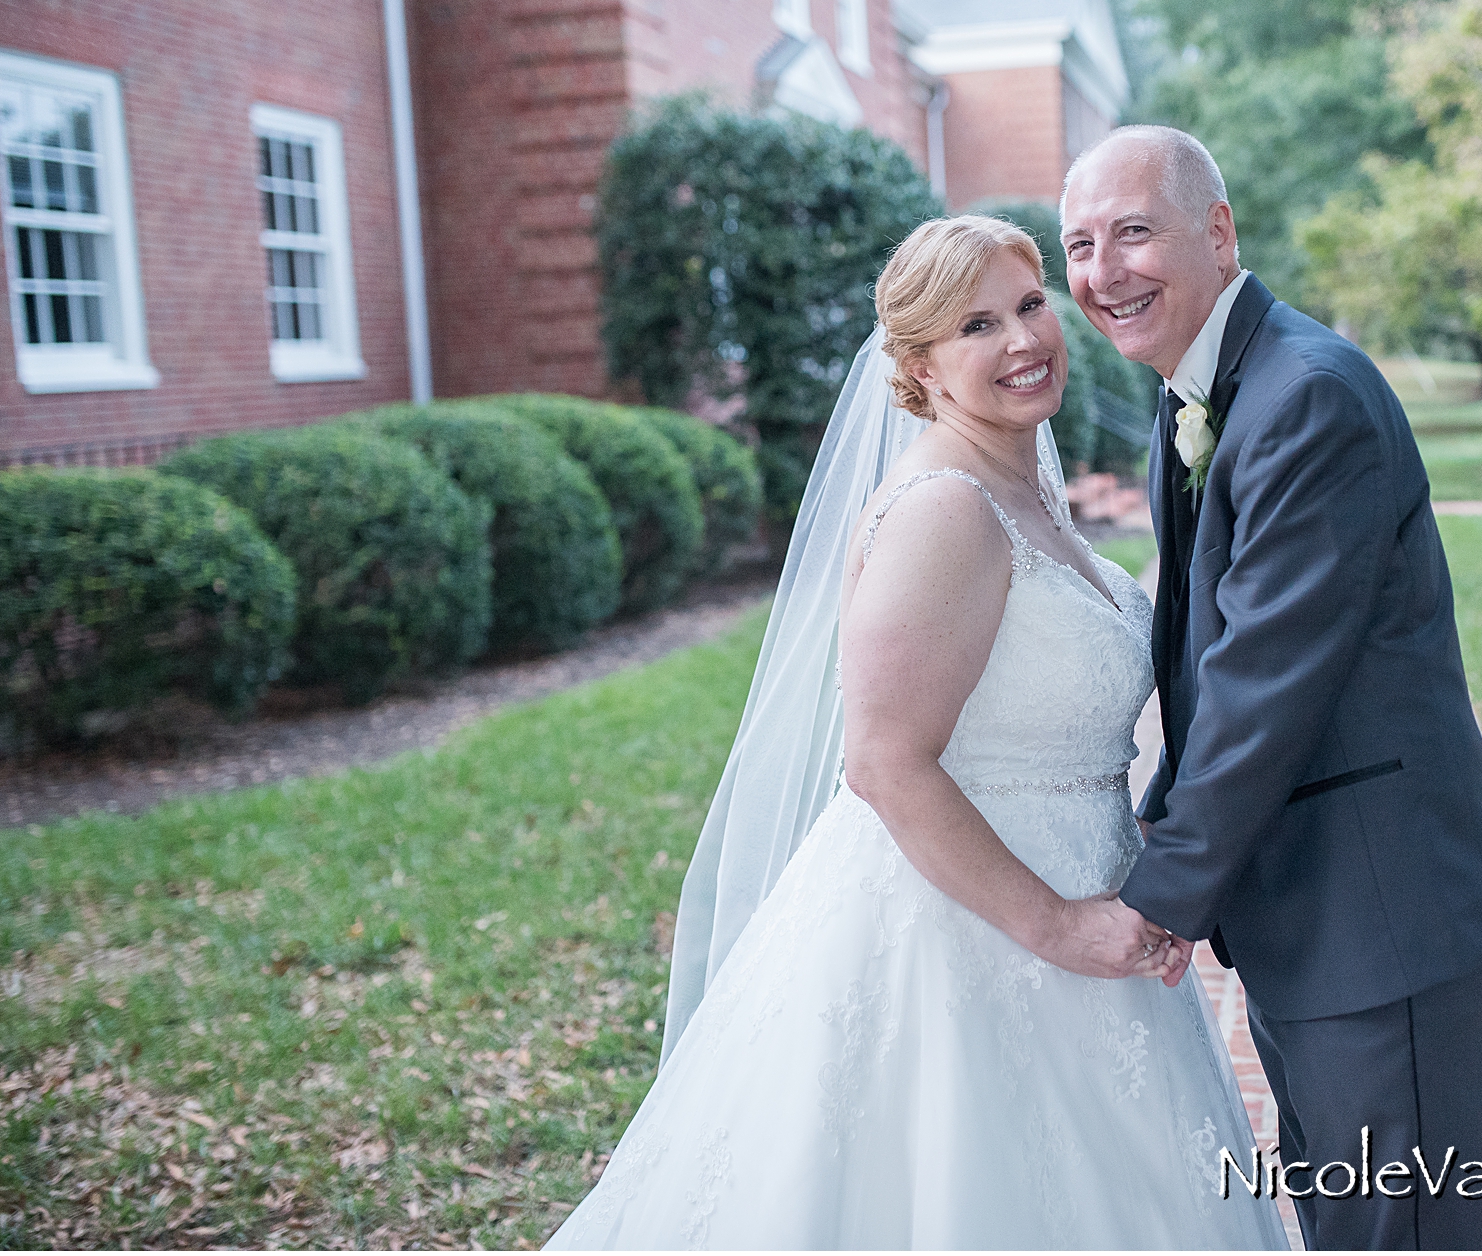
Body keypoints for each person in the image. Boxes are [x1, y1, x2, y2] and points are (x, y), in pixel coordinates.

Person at [546, 215, 1286, 1250]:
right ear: (918, 366)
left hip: (1090, 903)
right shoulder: (946, 508)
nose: (1023, 339)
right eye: (976, 323)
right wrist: (1057, 927)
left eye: (1029, 304)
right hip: (968, 933)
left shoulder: (1025, 486)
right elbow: (883, 760)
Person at [1059, 127, 1482, 1251]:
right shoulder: (1205, 392)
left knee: (1393, 1235)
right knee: (1346, 1222)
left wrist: (1156, 890)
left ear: (1217, 233)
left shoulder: (1302, 396)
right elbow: (1210, 668)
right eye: (1078, 244)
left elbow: (1261, 683)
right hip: (1309, 909)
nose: (1101, 270)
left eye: (1132, 231)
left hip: (1382, 915)